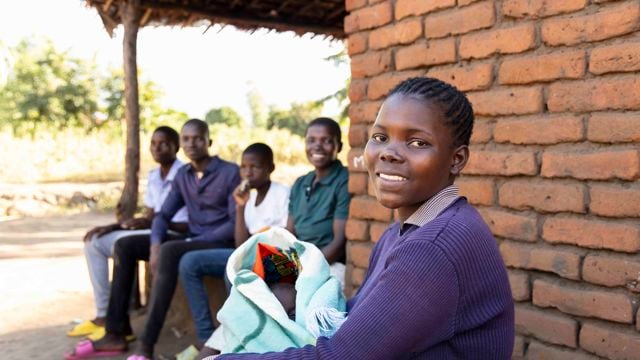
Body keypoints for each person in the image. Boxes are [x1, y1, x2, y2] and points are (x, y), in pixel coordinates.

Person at [213, 77, 515, 359]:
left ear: (456, 159)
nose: (389, 153)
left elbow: (338, 356)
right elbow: (356, 321)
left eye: (417, 143)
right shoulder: (407, 231)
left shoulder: (432, 248)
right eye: (380, 137)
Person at [65, 119, 240, 360]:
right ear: (182, 143)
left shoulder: (229, 172)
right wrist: (155, 244)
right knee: (125, 245)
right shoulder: (184, 176)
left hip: (219, 241)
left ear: (208, 142)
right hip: (192, 238)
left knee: (171, 251)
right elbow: (162, 215)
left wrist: (178, 245)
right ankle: (116, 331)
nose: (191, 143)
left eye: (197, 138)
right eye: (186, 139)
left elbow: (233, 223)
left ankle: (146, 346)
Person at [67, 126, 188, 340]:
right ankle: (103, 313)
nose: (157, 148)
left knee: (123, 246)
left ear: (176, 147)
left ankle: (119, 325)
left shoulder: (184, 174)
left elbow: (181, 221)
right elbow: (150, 215)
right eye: (153, 143)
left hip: (172, 233)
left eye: (163, 143)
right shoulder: (154, 176)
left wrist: (148, 222)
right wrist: (115, 226)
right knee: (95, 241)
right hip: (153, 229)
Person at [176, 143, 290, 359]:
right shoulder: (249, 197)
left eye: (255, 167)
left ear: (271, 168)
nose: (248, 172)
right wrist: (239, 207)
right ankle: (205, 335)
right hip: (248, 253)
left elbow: (284, 236)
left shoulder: (281, 193)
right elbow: (240, 243)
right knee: (190, 262)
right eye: (243, 167)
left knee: (235, 273)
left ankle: (237, 333)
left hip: (272, 257)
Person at [286, 117, 350, 283]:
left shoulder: (343, 180)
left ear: (339, 147)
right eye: (311, 140)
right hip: (299, 263)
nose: (317, 146)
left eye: (327, 141)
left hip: (329, 264)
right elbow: (289, 234)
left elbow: (339, 242)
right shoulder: (300, 183)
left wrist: (304, 271)